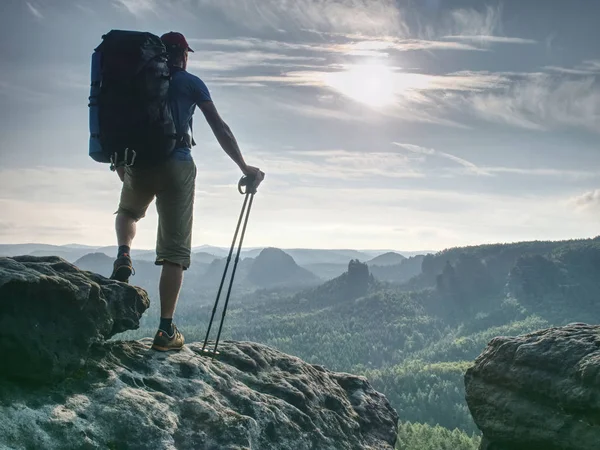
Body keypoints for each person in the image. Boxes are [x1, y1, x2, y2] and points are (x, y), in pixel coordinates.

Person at [110, 31, 265, 352]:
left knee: (127, 212)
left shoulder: (135, 80)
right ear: (181, 54)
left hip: (138, 163)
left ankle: (123, 253)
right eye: (186, 53)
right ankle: (165, 331)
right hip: (177, 166)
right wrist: (243, 167)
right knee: (174, 251)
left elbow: (116, 123)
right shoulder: (191, 83)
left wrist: (119, 162)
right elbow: (218, 126)